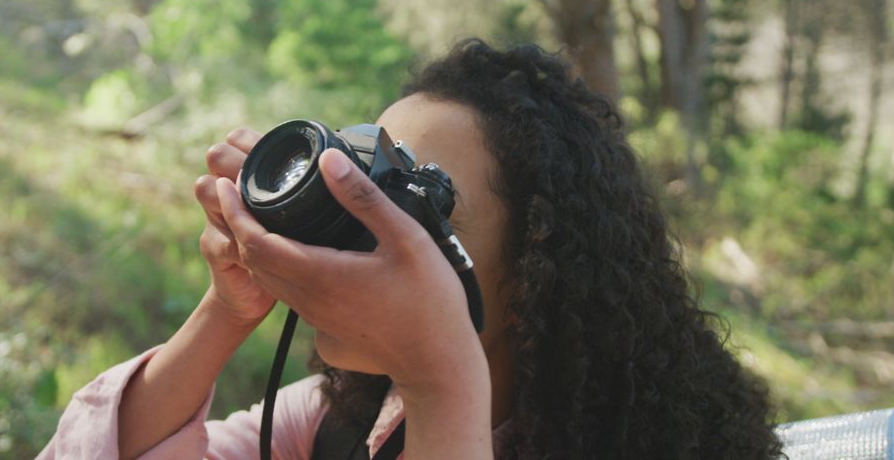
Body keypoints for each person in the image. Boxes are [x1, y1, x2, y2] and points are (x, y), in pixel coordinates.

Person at [40, 39, 784, 459]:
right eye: (366, 179)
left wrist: (442, 381)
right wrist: (228, 307)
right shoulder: (349, 422)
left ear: (538, 266)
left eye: (415, 204)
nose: (370, 229)